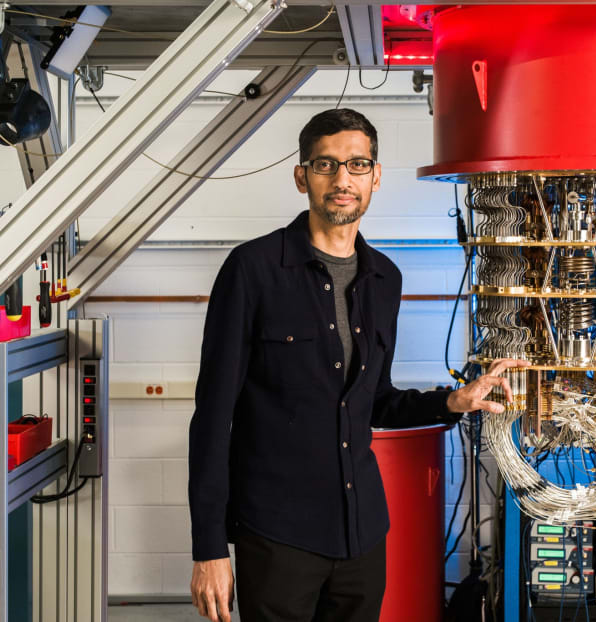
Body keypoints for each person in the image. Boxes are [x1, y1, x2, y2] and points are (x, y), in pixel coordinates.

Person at [188, 108, 527, 622]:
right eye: (326, 165)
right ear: (302, 176)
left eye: (357, 165)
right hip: (278, 533)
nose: (342, 179)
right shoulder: (252, 270)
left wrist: (453, 401)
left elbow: (375, 402)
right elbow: (212, 418)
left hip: (362, 531)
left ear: (376, 176)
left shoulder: (383, 279)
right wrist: (209, 547)